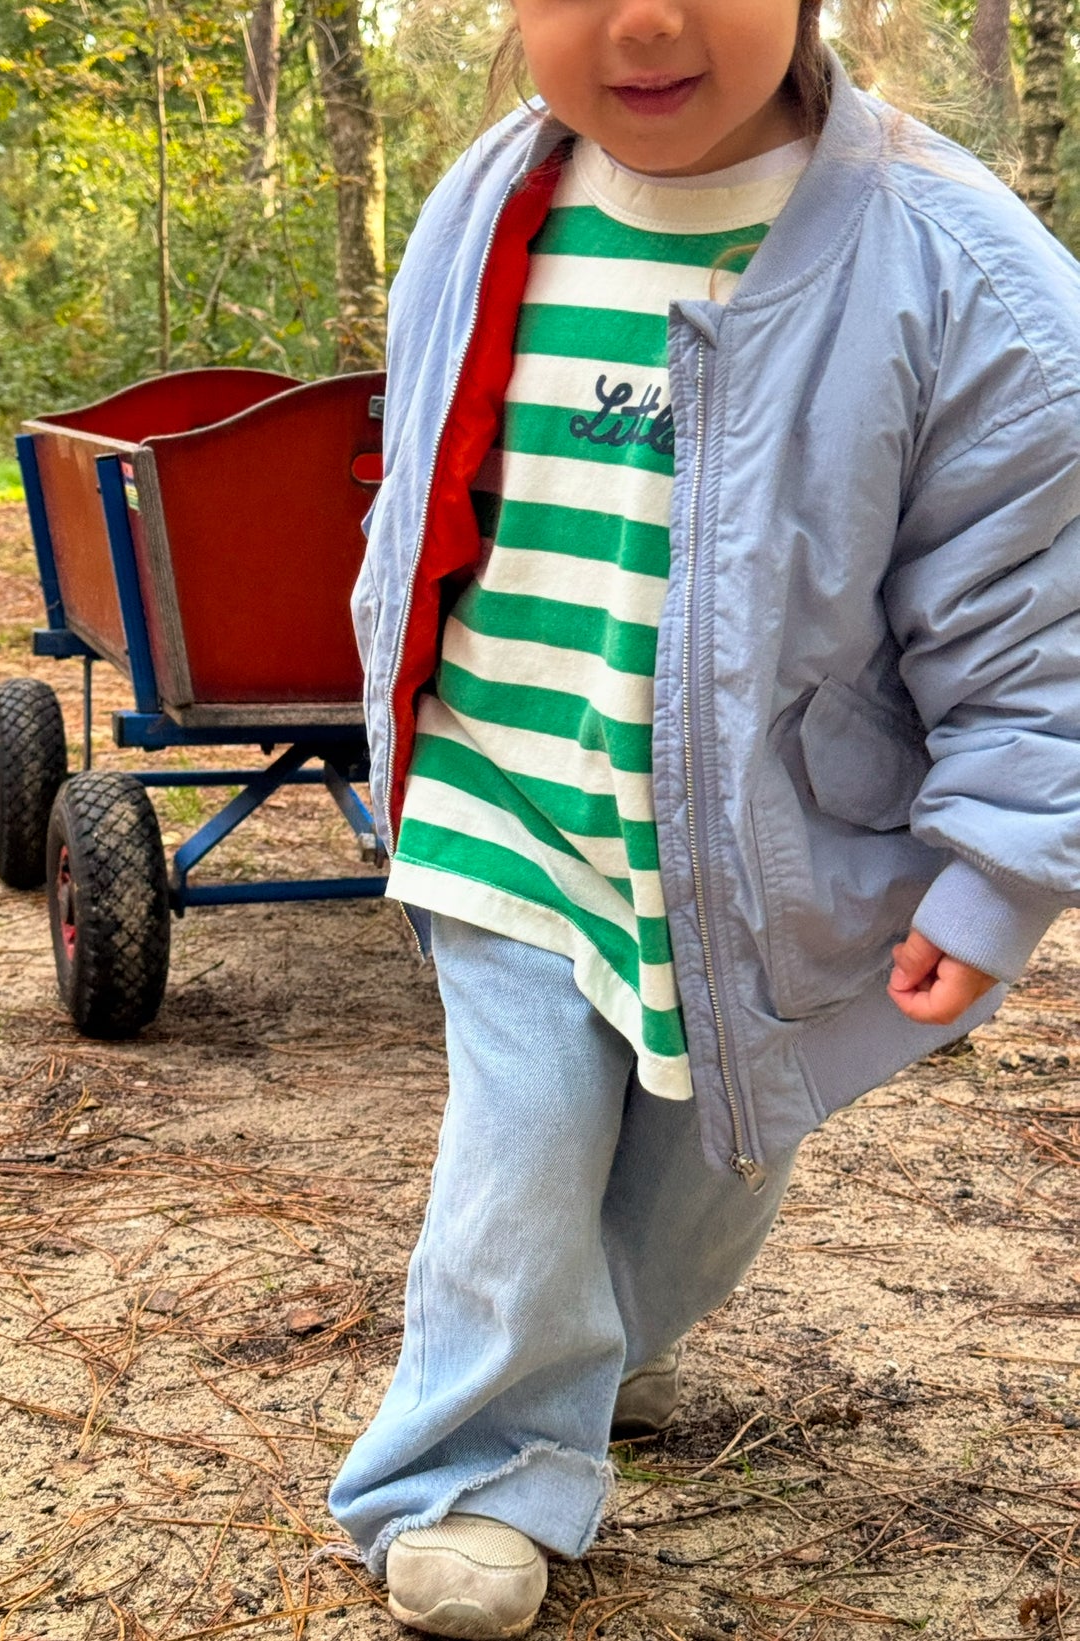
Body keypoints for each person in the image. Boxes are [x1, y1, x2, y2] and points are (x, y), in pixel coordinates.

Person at [328, 0, 1080, 1634]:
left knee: (716, 1146)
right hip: (504, 781)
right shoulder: (487, 198)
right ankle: (465, 1468)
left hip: (761, 844)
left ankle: (594, 1356)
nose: (646, 21)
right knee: (522, 1138)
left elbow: (1036, 611)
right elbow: (425, 464)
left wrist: (998, 872)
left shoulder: (961, 274)